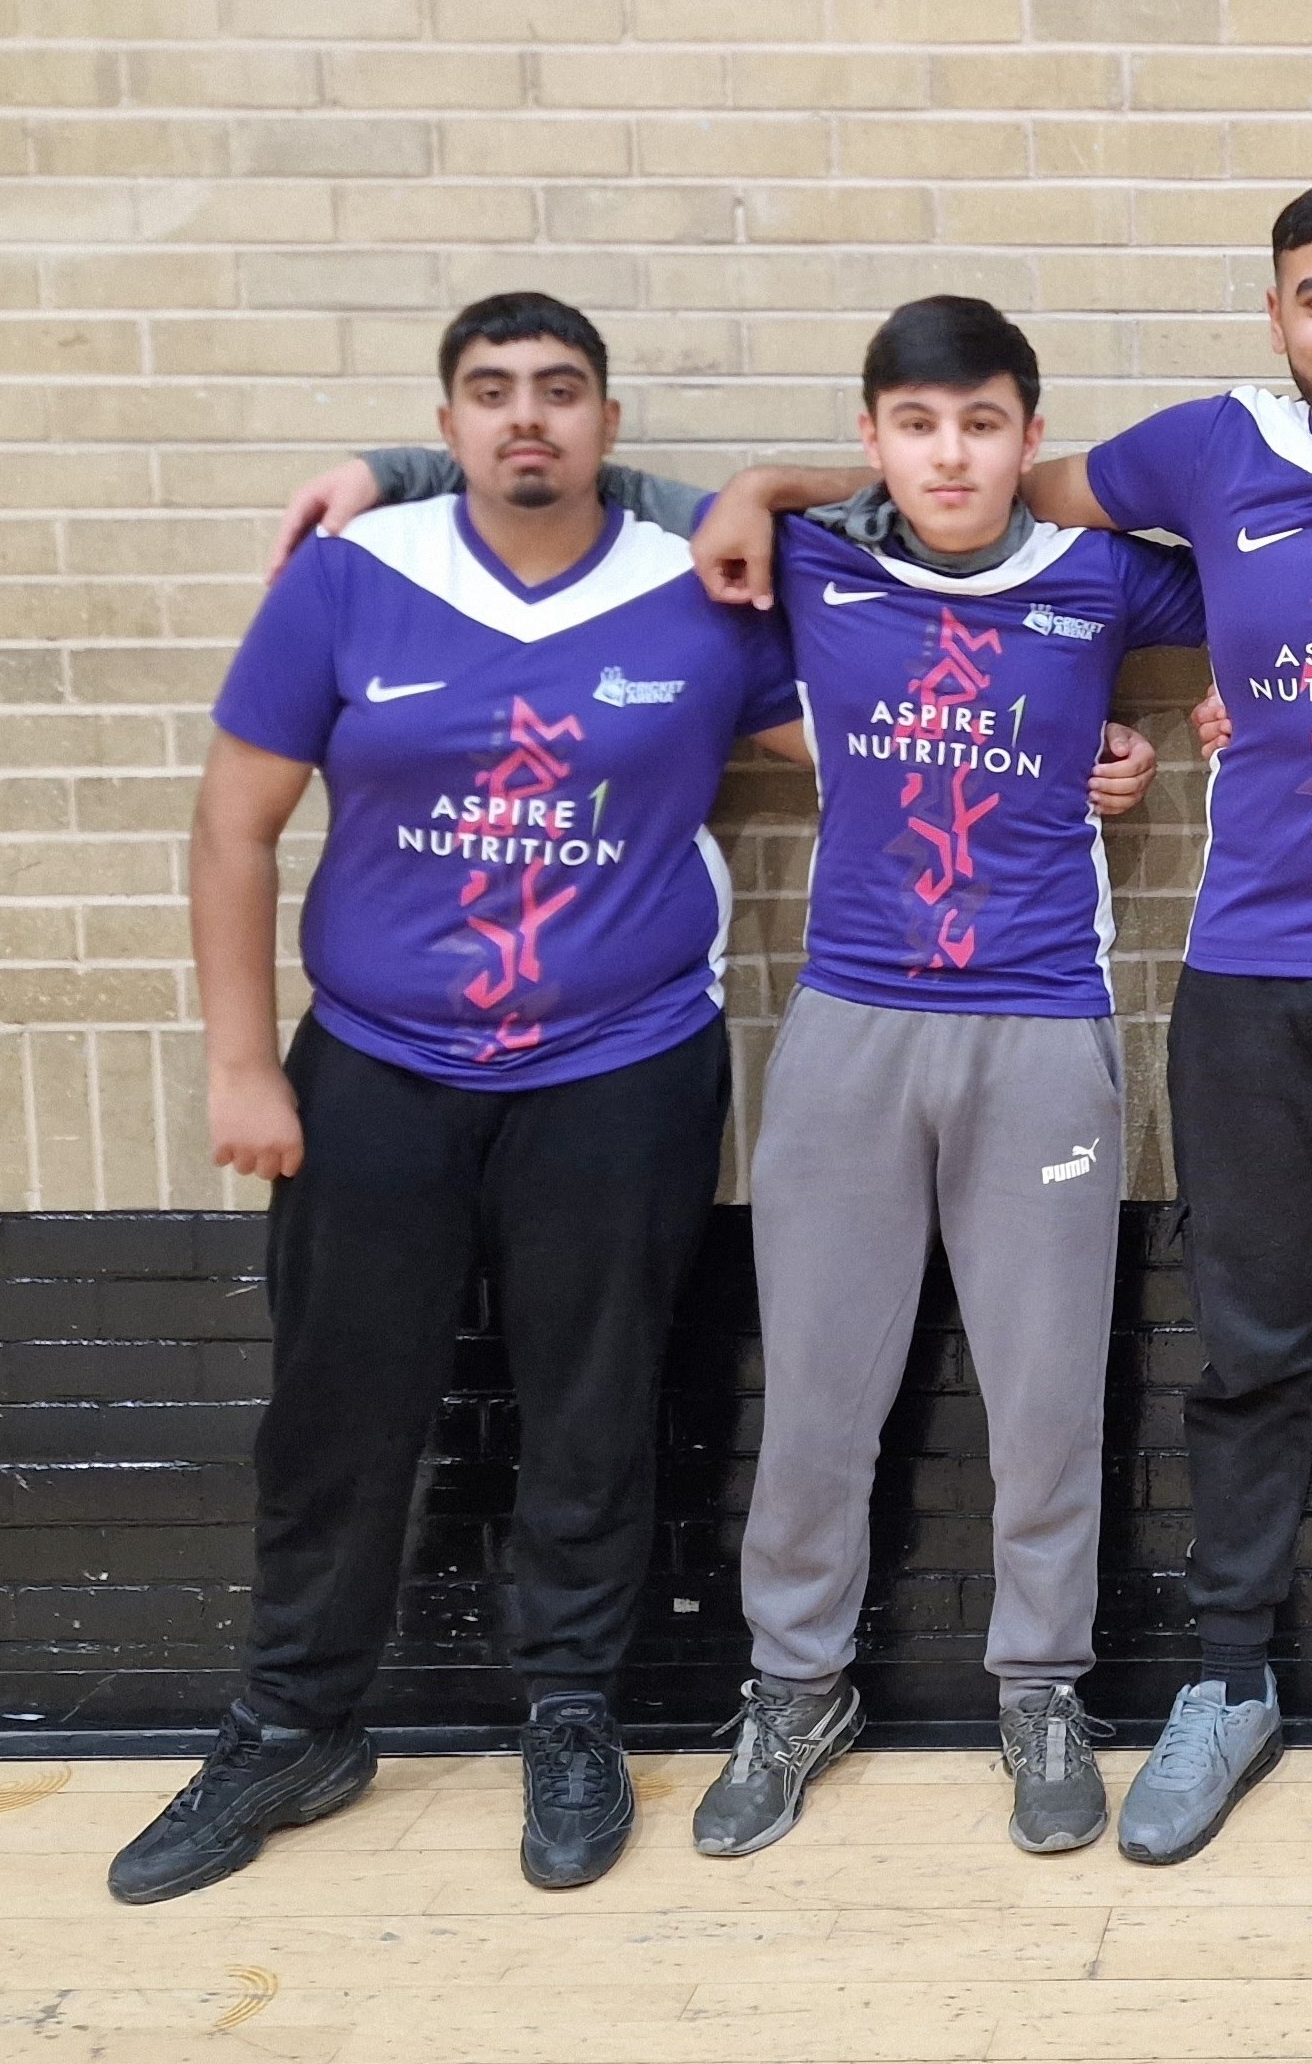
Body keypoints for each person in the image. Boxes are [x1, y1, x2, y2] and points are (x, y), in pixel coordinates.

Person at [691, 178, 1312, 1873]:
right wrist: (763, 486)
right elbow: (1004, 493)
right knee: (1251, 1353)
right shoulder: (1200, 450)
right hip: (1248, 981)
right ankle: (1226, 1681)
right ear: (1276, 316)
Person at [304, 307, 1176, 1861]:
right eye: (916, 425)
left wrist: (1183, 728)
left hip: (1041, 1022)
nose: (950, 456)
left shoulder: (1099, 577)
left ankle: (1042, 1689)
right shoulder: (815, 562)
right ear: (873, 437)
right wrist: (389, 469)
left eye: (981, 424)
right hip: (847, 1021)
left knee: (1047, 1397)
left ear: (1028, 436)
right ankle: (795, 1689)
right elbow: (591, 493)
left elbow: (1288, 562)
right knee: (820, 1395)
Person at [114, 294, 804, 1905]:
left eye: (560, 390)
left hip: (620, 1065)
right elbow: (231, 828)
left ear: (608, 427)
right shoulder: (353, 579)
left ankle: (570, 1713)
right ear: (448, 426)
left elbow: (893, 720)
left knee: (594, 1405)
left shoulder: (703, 587)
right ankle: (296, 1723)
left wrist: (1070, 758)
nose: (527, 417)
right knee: (336, 1411)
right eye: (492, 393)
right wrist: (241, 1062)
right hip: (376, 1065)